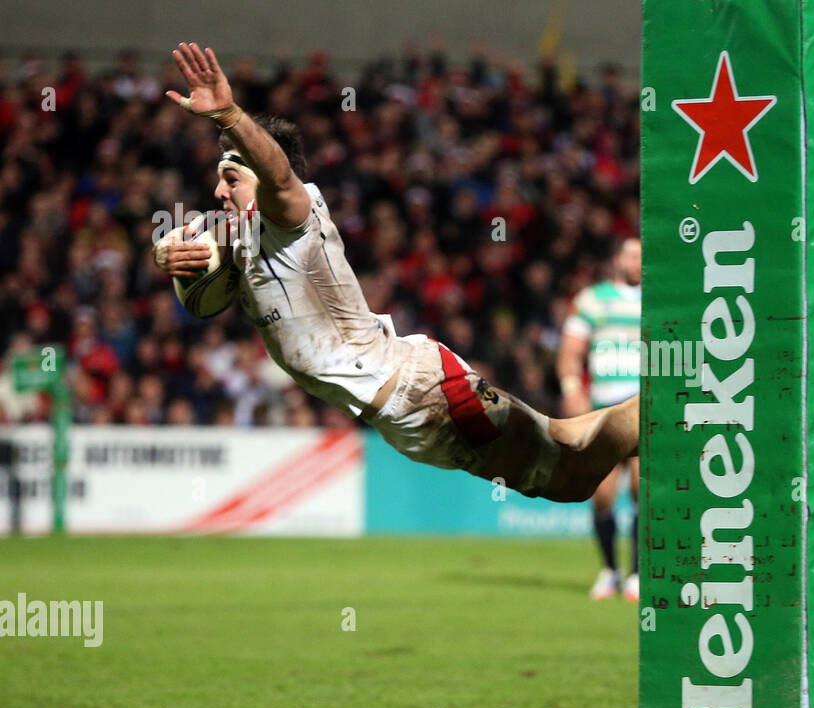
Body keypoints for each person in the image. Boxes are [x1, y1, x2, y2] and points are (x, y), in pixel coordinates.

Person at [154, 43, 637, 502]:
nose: (219, 192)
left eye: (231, 179)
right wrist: (164, 248)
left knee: (570, 470)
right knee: (568, 459)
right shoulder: (242, 236)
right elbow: (192, 231)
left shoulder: (291, 216)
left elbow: (278, 179)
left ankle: (676, 410)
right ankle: (670, 418)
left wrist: (229, 115)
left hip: (420, 395)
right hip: (404, 411)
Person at [558, 238, 642, 601]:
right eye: (631, 255)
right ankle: (610, 570)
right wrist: (572, 388)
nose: (638, 262)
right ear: (617, 260)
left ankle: (637, 574)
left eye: (642, 256)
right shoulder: (593, 299)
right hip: (604, 411)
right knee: (603, 495)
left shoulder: (660, 297)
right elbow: (570, 352)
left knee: (644, 491)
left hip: (642, 408)